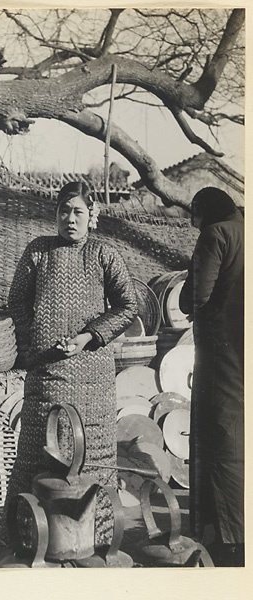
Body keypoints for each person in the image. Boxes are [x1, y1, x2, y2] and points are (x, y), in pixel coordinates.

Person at [1, 181, 138, 552]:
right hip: (46, 373)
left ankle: (95, 536)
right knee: (38, 453)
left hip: (92, 375)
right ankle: (29, 536)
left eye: (78, 211)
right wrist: (36, 344)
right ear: (56, 214)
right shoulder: (38, 252)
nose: (70, 218)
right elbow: (16, 302)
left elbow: (128, 305)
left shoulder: (102, 254)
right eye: (64, 210)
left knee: (89, 454)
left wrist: (88, 338)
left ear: (91, 216)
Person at [179, 187, 244, 567]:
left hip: (220, 354)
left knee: (220, 436)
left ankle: (226, 535)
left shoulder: (215, 234)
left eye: (193, 215)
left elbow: (195, 299)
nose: (192, 223)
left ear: (205, 211)